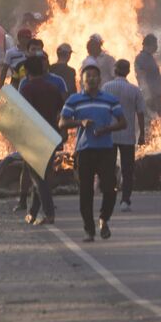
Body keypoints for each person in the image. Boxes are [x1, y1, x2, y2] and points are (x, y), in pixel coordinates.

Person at [60, 65, 126, 241]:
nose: (91, 79)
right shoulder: (74, 100)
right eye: (88, 76)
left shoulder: (110, 100)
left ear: (100, 79)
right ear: (82, 80)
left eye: (95, 76)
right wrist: (80, 122)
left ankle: (104, 219)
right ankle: (89, 229)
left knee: (110, 188)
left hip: (106, 149)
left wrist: (107, 129)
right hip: (84, 150)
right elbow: (62, 123)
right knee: (86, 191)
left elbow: (123, 122)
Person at [18, 54, 66, 225]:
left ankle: (49, 213)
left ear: (28, 71)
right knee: (42, 174)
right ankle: (32, 212)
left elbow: (24, 115)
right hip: (51, 135)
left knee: (39, 178)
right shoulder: (52, 88)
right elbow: (62, 111)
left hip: (34, 137)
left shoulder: (27, 89)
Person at [102, 58, 147, 212]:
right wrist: (142, 134)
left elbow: (102, 110)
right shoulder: (134, 90)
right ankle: (125, 200)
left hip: (110, 135)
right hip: (128, 135)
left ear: (115, 70)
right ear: (128, 72)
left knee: (109, 168)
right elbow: (140, 114)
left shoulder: (106, 87)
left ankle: (109, 197)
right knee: (128, 170)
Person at [134, 33, 161, 115]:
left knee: (156, 120)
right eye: (155, 44)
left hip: (155, 96)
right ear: (148, 45)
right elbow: (141, 79)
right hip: (151, 97)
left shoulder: (150, 58)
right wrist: (147, 97)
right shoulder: (142, 58)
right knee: (151, 120)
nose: (156, 46)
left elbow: (155, 78)